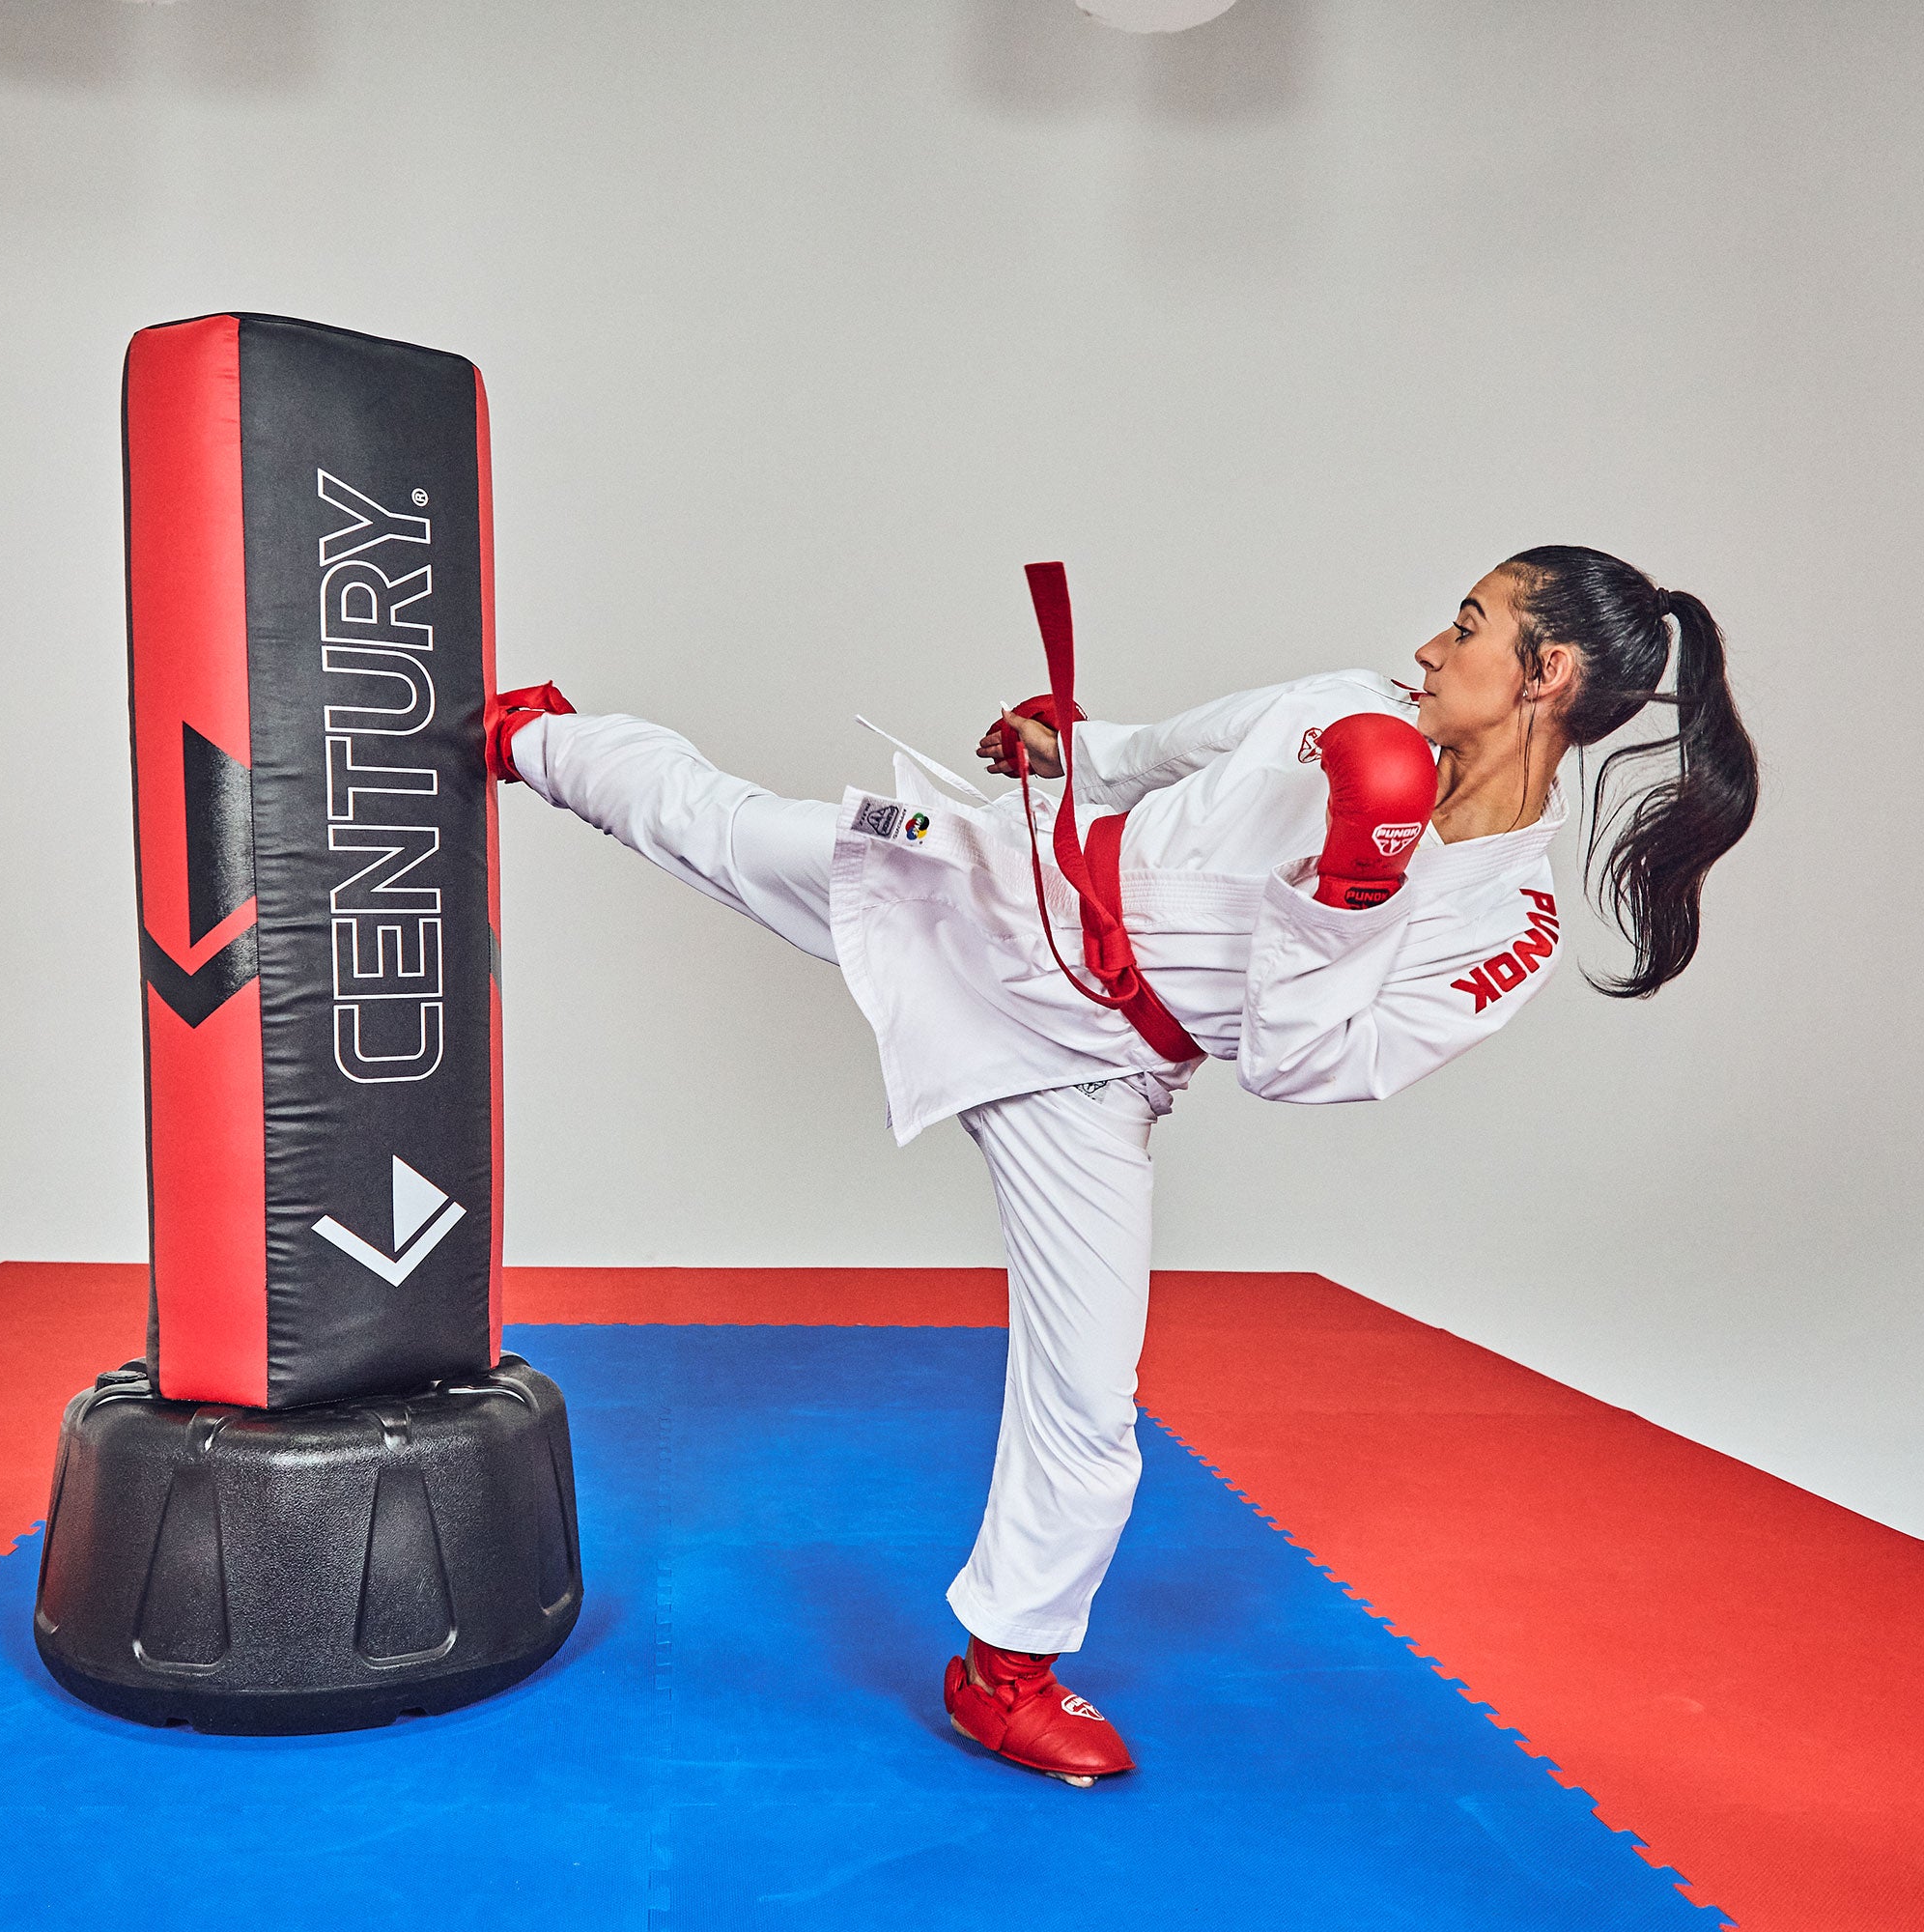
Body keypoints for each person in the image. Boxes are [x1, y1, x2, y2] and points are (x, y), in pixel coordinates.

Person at [486, 545, 1759, 1786]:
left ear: (1550, 674)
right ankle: (528, 734)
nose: (1430, 646)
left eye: (1471, 624)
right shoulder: (1347, 708)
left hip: (1094, 1067)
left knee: (1090, 1393)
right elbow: (1166, 751)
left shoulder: (1503, 923)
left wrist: (1356, 885)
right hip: (988, 872)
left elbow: (1298, 1067)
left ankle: (1005, 1670)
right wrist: (1064, 748)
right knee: (734, 828)